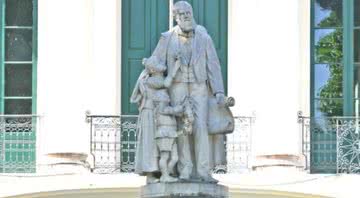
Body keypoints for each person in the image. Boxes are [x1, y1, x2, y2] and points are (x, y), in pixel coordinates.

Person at [150, 1, 225, 183]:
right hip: (177, 86)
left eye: (188, 12)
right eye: (181, 13)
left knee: (201, 127)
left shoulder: (204, 37)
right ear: (175, 17)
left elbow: (213, 65)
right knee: (183, 130)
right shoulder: (167, 38)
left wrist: (219, 91)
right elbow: (154, 61)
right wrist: (163, 71)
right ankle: (185, 170)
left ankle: (204, 171)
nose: (186, 15)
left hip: (199, 86)